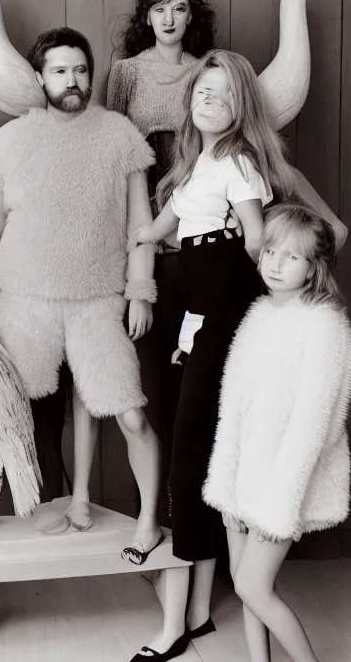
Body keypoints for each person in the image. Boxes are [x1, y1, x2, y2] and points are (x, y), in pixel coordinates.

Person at [0, 27, 163, 562]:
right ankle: (14, 510)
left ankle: (134, 516)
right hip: (26, 298)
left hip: (99, 296)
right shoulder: (13, 140)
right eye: (60, 70)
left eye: (80, 69)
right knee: (10, 405)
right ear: (40, 77)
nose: (72, 80)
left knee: (125, 413)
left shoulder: (119, 136)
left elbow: (142, 226)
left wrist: (141, 290)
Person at [128, 50, 297, 662]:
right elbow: (173, 219)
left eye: (224, 95)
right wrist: (143, 236)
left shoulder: (242, 163)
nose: (210, 100)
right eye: (204, 89)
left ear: (240, 107)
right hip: (187, 294)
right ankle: (196, 609)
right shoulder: (198, 163)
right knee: (187, 436)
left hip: (222, 292)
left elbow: (252, 237)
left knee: (192, 440)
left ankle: (178, 619)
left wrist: (278, 290)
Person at [203, 203, 351, 661]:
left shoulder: (325, 327)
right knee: (244, 580)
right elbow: (233, 410)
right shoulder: (259, 315)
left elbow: (314, 427)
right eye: (270, 250)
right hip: (244, 475)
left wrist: (277, 505)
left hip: (282, 485)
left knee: (253, 585)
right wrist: (227, 487)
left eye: (291, 256)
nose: (275, 263)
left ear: (314, 268)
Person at [107, 0, 217, 524]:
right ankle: (157, 519)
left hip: (195, 229)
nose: (169, 18)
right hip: (142, 229)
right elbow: (113, 154)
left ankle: (192, 528)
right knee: (147, 388)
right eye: (158, 8)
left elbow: (213, 152)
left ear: (191, 14)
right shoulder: (125, 73)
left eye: (178, 7)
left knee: (190, 387)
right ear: (145, 16)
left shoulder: (208, 72)